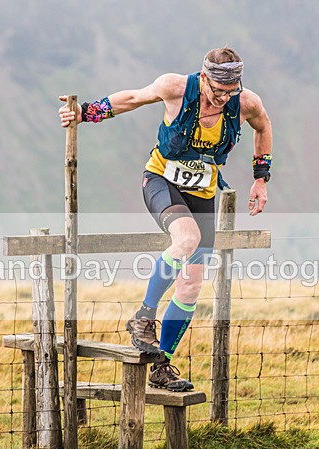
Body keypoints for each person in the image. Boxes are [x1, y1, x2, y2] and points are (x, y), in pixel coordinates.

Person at [58, 47, 272, 392]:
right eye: (218, 91)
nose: (223, 98)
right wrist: (85, 112)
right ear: (204, 78)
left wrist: (261, 179)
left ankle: (161, 366)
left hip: (202, 193)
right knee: (186, 239)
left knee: (191, 285)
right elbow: (132, 99)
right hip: (161, 182)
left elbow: (263, 126)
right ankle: (144, 316)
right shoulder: (175, 87)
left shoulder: (245, 103)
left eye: (231, 91)